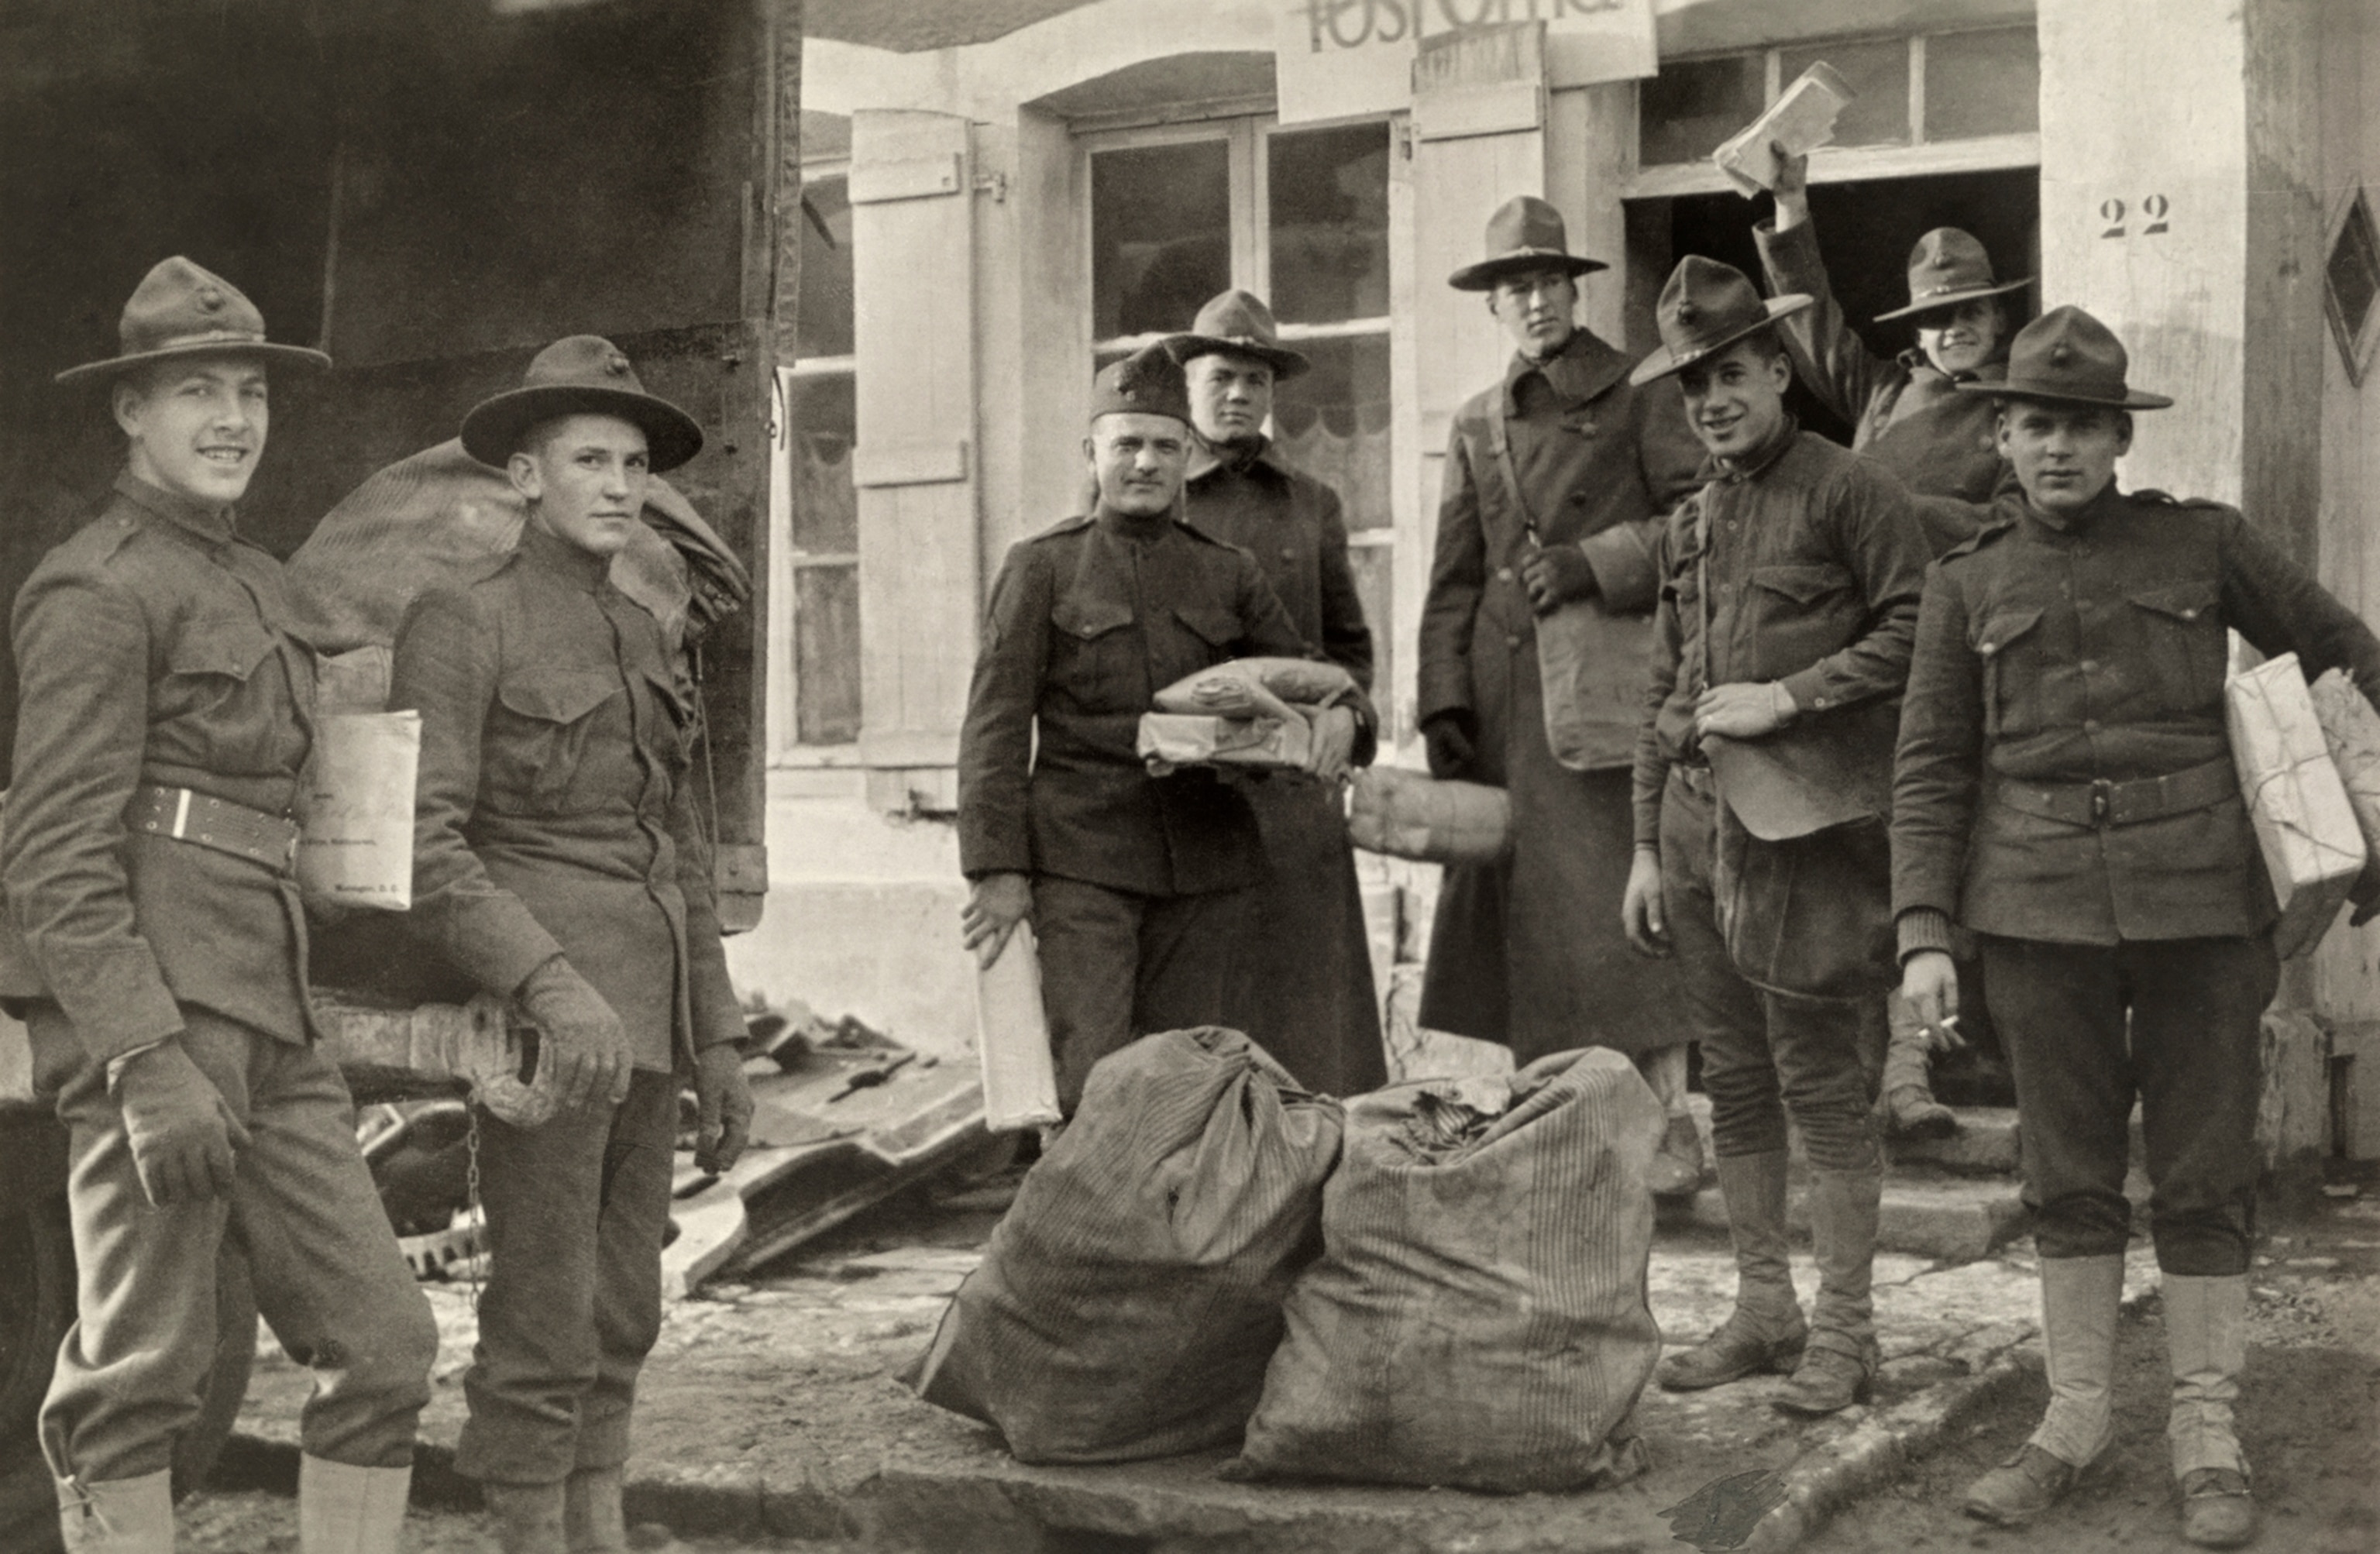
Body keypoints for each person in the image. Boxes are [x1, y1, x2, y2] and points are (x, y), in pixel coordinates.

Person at [1892, 306, 2380, 1547]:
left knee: (2207, 1166)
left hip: (2204, 903)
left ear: (2121, 439)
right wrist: (1926, 929)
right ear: (2001, 434)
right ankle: (2077, 1413)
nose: (2057, 447)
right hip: (2036, 910)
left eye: (2083, 427)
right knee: (2065, 1169)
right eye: (2034, 423)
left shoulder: (2203, 543)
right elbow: (1932, 766)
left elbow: (2343, 652)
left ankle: (2205, 1422)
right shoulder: (1965, 582)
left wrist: (2357, 807)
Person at [3, 257, 438, 1554]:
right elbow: (54, 852)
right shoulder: (96, 588)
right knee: (141, 1369)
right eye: (196, 391)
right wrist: (138, 1054)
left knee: (384, 1342)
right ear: (129, 414)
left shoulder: (257, 582)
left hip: (271, 1000)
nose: (233, 418)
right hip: (162, 1017)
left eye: (249, 391)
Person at [389, 336, 755, 1554]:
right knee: (543, 1300)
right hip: (552, 1014)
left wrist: (724, 1037)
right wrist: (550, 986)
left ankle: (597, 1522)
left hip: (647, 1005)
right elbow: (430, 847)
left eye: (635, 463)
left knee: (628, 1296)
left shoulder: (649, 631)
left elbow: (677, 849)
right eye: (587, 458)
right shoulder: (463, 621)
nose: (617, 483)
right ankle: (529, 1535)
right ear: (524, 478)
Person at [1620, 256, 1929, 1415]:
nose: (1714, 400)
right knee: (1735, 1086)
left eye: (1734, 373)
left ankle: (1846, 1332)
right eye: (1694, 385)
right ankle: (1765, 1309)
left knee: (1822, 1084)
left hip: (1812, 836)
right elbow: (1662, 690)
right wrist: (1648, 847)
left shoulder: (1851, 491)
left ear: (1780, 373)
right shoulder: (1692, 524)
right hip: (1701, 841)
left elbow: (1923, 630)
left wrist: (1791, 697)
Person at [958, 343, 1368, 1112]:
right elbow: (995, 727)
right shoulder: (1041, 567)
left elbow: (1305, 674)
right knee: (1091, 1074)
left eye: (1164, 447)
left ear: (1189, 457)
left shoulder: (1227, 571)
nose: (1144, 463)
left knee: (1194, 1076)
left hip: (1207, 861)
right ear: (1092, 454)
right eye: (1127, 444)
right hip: (1084, 863)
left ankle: (1178, 1232)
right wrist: (998, 869)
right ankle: (1093, 1228)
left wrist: (1349, 715)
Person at [1415, 195, 1708, 1192]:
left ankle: (1664, 1136)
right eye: (1512, 288)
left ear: (1576, 289)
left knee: (1623, 926)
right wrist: (1444, 704)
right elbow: (1454, 577)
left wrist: (1594, 561)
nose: (1532, 302)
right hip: (1509, 707)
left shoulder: (1640, 393)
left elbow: (1704, 521)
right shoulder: (1475, 421)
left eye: (1546, 282)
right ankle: (1560, 1139)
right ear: (1493, 305)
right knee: (1529, 938)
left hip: (1606, 694)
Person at [1755, 146, 2034, 1139]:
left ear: (2000, 318)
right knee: (1855, 853)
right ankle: (1872, 1076)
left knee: (1934, 853)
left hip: (1954, 646)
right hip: (1860, 651)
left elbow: (2010, 531)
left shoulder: (2019, 412)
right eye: (1933, 319)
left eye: (1967, 314)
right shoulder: (1885, 391)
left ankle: (1919, 1071)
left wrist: (1889, 509)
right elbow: (1808, 320)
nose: (1950, 331)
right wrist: (1788, 209)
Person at [1164, 288, 1383, 1095]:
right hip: (1195, 802)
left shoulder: (1311, 503)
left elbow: (1351, 650)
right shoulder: (1158, 493)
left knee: (1312, 1038)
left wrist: (1348, 718)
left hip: (1296, 808)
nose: (1238, 395)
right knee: (1208, 1031)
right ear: (1189, 385)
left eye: (1256, 380)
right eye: (1222, 376)